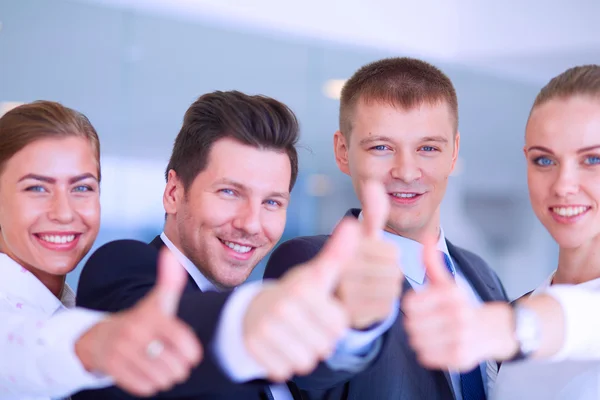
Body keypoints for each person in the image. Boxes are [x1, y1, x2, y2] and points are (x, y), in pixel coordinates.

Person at [74, 90, 402, 399]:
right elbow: (182, 335)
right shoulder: (120, 270)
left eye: (272, 203)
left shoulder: (267, 314)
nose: (250, 223)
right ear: (174, 193)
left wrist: (358, 319)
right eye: (230, 193)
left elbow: (312, 365)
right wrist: (259, 315)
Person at [264, 57, 508, 400]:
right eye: (381, 147)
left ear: (453, 155)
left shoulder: (482, 276)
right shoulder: (309, 263)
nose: (407, 171)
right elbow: (310, 367)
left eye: (428, 148)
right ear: (343, 151)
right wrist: (350, 326)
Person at [403, 64, 600, 400]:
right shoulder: (512, 314)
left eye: (593, 160)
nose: (564, 185)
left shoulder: (512, 325)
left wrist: (515, 328)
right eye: (544, 160)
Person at [0, 101, 203, 399]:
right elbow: (21, 349)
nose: (64, 213)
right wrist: (94, 343)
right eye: (37, 188)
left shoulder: (68, 304)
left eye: (82, 188)